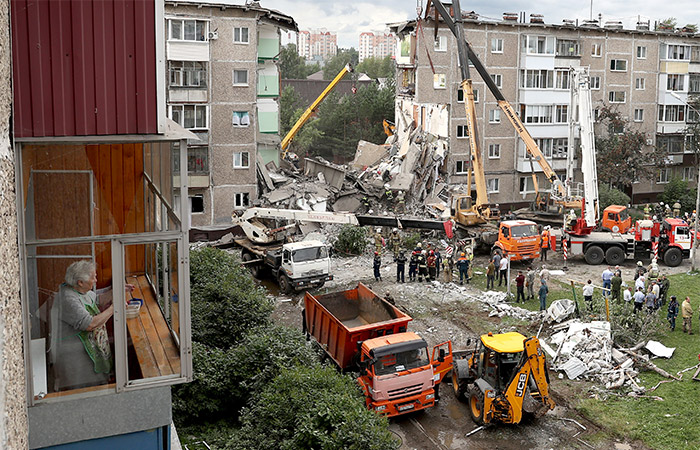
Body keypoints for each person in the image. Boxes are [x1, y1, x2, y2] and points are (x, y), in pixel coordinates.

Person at [51, 260, 131, 391]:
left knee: (96, 385)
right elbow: (89, 324)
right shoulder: (67, 298)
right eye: (93, 277)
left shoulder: (79, 290)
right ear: (80, 282)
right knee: (84, 390)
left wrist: (118, 291)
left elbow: (98, 299)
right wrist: (113, 308)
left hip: (86, 352)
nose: (96, 280)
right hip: (76, 356)